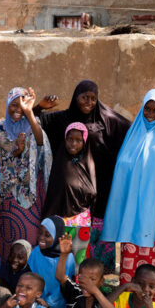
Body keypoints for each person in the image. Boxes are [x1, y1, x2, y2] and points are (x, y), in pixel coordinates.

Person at [38, 80, 130, 273]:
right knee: (74, 241)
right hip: (69, 188)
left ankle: (100, 277)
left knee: (97, 235)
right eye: (84, 97)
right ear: (75, 97)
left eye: (93, 98)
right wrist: (38, 107)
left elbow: (133, 130)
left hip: (101, 186)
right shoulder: (64, 119)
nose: (88, 102)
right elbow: (40, 122)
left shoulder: (107, 120)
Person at [101, 89, 155, 306]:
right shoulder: (134, 133)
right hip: (132, 213)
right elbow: (122, 172)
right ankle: (126, 303)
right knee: (130, 260)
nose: (151, 114)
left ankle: (153, 307)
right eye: (148, 108)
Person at [0, 87, 51, 260]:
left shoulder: (32, 125)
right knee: (9, 241)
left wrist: (30, 112)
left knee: (31, 239)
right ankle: (10, 282)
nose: (18, 110)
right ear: (7, 104)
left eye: (22, 106)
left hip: (30, 195)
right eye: (14, 105)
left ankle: (30, 282)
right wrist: (15, 151)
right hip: (7, 196)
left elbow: (41, 143)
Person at [42, 122, 96, 229]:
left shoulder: (89, 163)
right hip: (60, 221)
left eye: (78, 140)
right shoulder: (60, 164)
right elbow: (54, 195)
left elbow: (93, 192)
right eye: (70, 139)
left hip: (82, 222)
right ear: (65, 139)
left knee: (80, 246)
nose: (73, 144)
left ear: (84, 142)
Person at [27, 216, 76, 308]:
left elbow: (66, 286)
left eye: (47, 235)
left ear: (57, 236)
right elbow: (30, 279)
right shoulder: (36, 253)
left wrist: (48, 302)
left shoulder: (67, 257)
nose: (41, 237)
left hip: (60, 306)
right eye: (40, 233)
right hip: (37, 301)